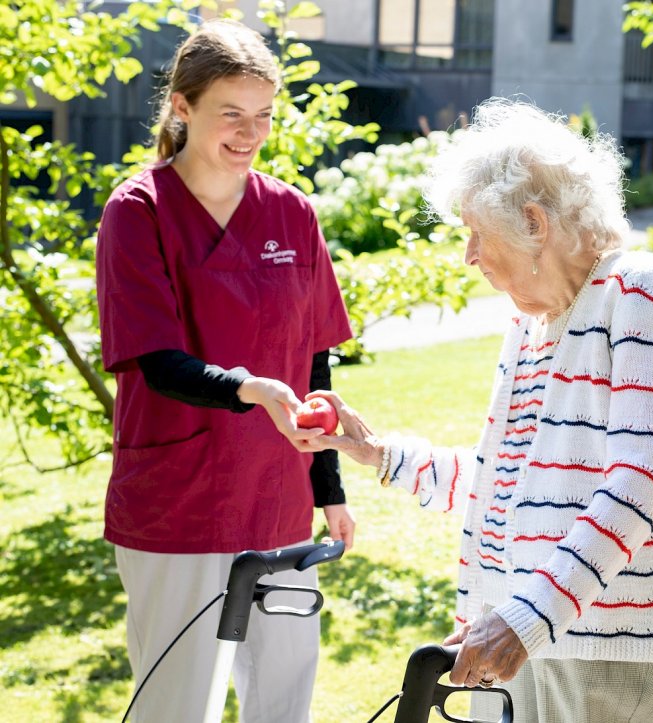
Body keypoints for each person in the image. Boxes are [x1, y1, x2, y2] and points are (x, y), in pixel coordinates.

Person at [309, 98, 653, 723]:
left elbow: (635, 486)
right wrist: (382, 455)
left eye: (477, 231)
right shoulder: (532, 325)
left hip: (601, 646)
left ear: (533, 222)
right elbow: (509, 489)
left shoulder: (642, 291)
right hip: (524, 631)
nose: (469, 253)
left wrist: (526, 620)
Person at [95, 18, 354, 723]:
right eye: (231, 114)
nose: (251, 132)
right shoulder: (137, 213)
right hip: (177, 504)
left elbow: (312, 358)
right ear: (181, 106)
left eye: (264, 115)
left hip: (276, 498)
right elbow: (157, 362)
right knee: (177, 707)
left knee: (283, 703)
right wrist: (253, 389)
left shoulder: (292, 214)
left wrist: (327, 485)